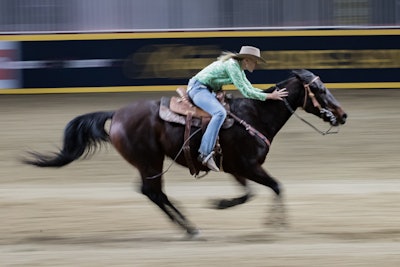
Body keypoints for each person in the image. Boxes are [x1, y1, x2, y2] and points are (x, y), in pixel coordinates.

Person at [186, 45, 288, 172]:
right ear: (246, 60)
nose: (256, 64)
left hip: (205, 89)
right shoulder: (233, 66)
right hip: (198, 89)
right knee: (220, 113)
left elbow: (250, 88)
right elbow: (246, 92)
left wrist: (268, 95)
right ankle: (204, 153)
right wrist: (269, 96)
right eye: (255, 61)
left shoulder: (238, 68)